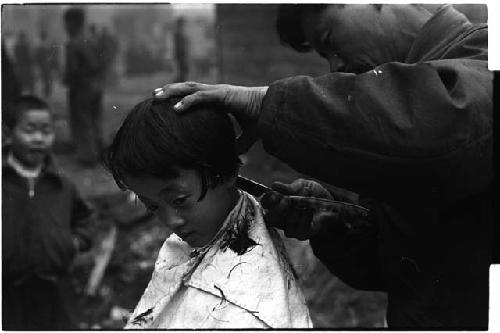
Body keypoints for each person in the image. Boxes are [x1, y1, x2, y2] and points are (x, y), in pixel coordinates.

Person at [153, 4, 493, 329]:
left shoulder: (485, 52)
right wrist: (335, 220)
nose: (335, 67)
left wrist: (265, 103)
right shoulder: (399, 117)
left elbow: (435, 129)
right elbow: (400, 265)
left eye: (328, 41)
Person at [103, 97, 312, 329]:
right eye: (152, 206)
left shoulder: (249, 306)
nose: (171, 221)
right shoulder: (194, 240)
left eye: (179, 201)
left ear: (225, 173)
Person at [2, 95, 95, 329]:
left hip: (55, 288)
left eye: (46, 131)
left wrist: (73, 243)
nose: (39, 139)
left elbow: (86, 219)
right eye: (30, 130)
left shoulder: (62, 185)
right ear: (8, 132)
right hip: (7, 292)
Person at [63, 8, 103, 166]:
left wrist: (67, 80)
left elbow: (72, 70)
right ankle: (100, 151)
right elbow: (100, 62)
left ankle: (88, 156)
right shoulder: (92, 40)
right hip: (96, 85)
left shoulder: (72, 43)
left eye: (66, 23)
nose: (65, 27)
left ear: (72, 23)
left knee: (82, 120)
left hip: (81, 87)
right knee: (95, 119)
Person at [35, 30, 59, 98]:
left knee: (46, 80)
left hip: (45, 66)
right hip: (46, 66)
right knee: (46, 80)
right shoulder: (44, 46)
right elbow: (52, 56)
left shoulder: (41, 46)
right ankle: (47, 93)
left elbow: (38, 58)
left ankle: (47, 93)